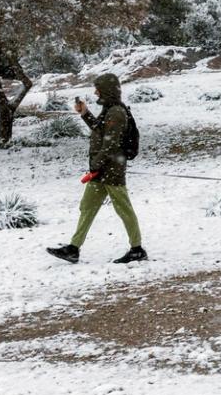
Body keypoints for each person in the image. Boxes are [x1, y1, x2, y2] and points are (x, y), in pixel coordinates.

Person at [46, 72, 146, 264]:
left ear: (106, 89)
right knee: (87, 207)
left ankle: (137, 249)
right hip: (101, 171)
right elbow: (101, 130)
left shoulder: (116, 112)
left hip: (112, 171)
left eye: (98, 88)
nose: (95, 91)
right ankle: (73, 249)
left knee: (124, 209)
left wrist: (95, 164)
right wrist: (84, 113)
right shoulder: (109, 110)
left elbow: (111, 144)